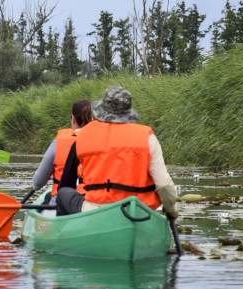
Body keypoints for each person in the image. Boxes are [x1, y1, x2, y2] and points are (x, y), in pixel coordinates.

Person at [56, 86, 178, 219]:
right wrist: (171, 210)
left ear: (101, 111)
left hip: (95, 211)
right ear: (128, 112)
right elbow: (164, 185)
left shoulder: (83, 136)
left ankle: (63, 233)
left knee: (63, 192)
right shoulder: (148, 138)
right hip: (138, 211)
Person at [31, 99, 93, 205]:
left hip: (61, 202)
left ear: (73, 119)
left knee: (48, 197)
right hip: (94, 201)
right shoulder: (103, 141)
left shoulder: (59, 141)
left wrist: (36, 187)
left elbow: (38, 182)